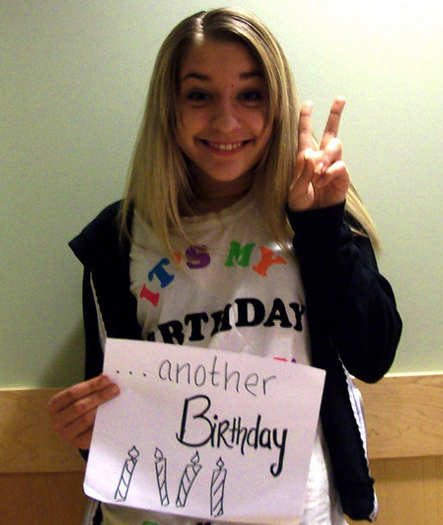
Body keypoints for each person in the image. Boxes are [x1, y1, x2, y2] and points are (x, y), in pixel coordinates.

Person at [48, 7, 401, 524]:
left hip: (297, 511)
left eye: (250, 94)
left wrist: (322, 225)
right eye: (199, 95)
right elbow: (116, 415)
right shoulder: (117, 240)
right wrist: (86, 431)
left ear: (276, 104)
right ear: (169, 108)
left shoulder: (318, 213)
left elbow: (373, 355)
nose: (226, 120)